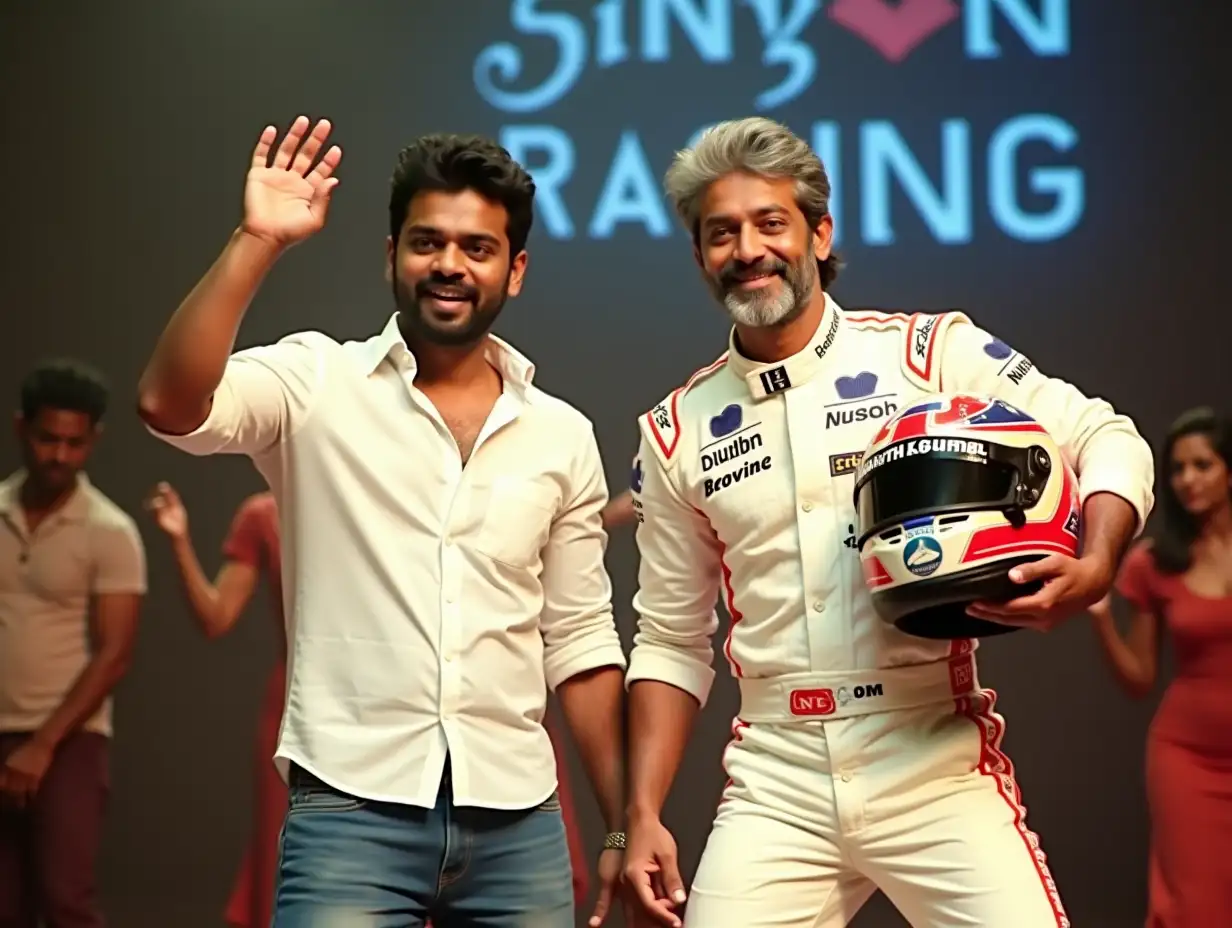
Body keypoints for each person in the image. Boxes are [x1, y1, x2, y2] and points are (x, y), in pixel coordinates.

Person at [619, 117, 1155, 928]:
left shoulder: (928, 352)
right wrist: (644, 813)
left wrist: (1099, 560)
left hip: (931, 753)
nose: (748, 249)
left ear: (820, 231)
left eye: (772, 223)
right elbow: (668, 638)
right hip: (775, 776)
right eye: (721, 233)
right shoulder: (675, 428)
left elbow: (1105, 437)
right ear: (699, 256)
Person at [136, 116, 628, 928]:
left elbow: (578, 641)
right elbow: (168, 405)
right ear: (391, 255)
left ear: (517, 270)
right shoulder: (315, 383)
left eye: (478, 248)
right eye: (427, 242)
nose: (450, 265)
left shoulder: (561, 434)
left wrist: (618, 821)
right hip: (349, 817)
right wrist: (256, 239)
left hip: (518, 823)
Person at [144, 483, 596, 926]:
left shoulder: (402, 494)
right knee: (296, 868)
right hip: (316, 718)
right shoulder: (262, 515)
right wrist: (180, 540)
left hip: (462, 714)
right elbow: (217, 615)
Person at [0, 360, 147, 928]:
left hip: (67, 743)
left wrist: (42, 745)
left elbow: (115, 654)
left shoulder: (109, 531)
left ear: (93, 441)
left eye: (73, 443)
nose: (58, 455)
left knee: (65, 900)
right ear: (21, 429)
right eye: (46, 439)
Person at [1088, 406, 1232, 925]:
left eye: (1202, 465)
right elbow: (1139, 678)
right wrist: (1102, 619)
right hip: (1187, 756)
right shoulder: (1155, 562)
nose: (1187, 479)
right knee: (1196, 906)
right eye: (1177, 469)